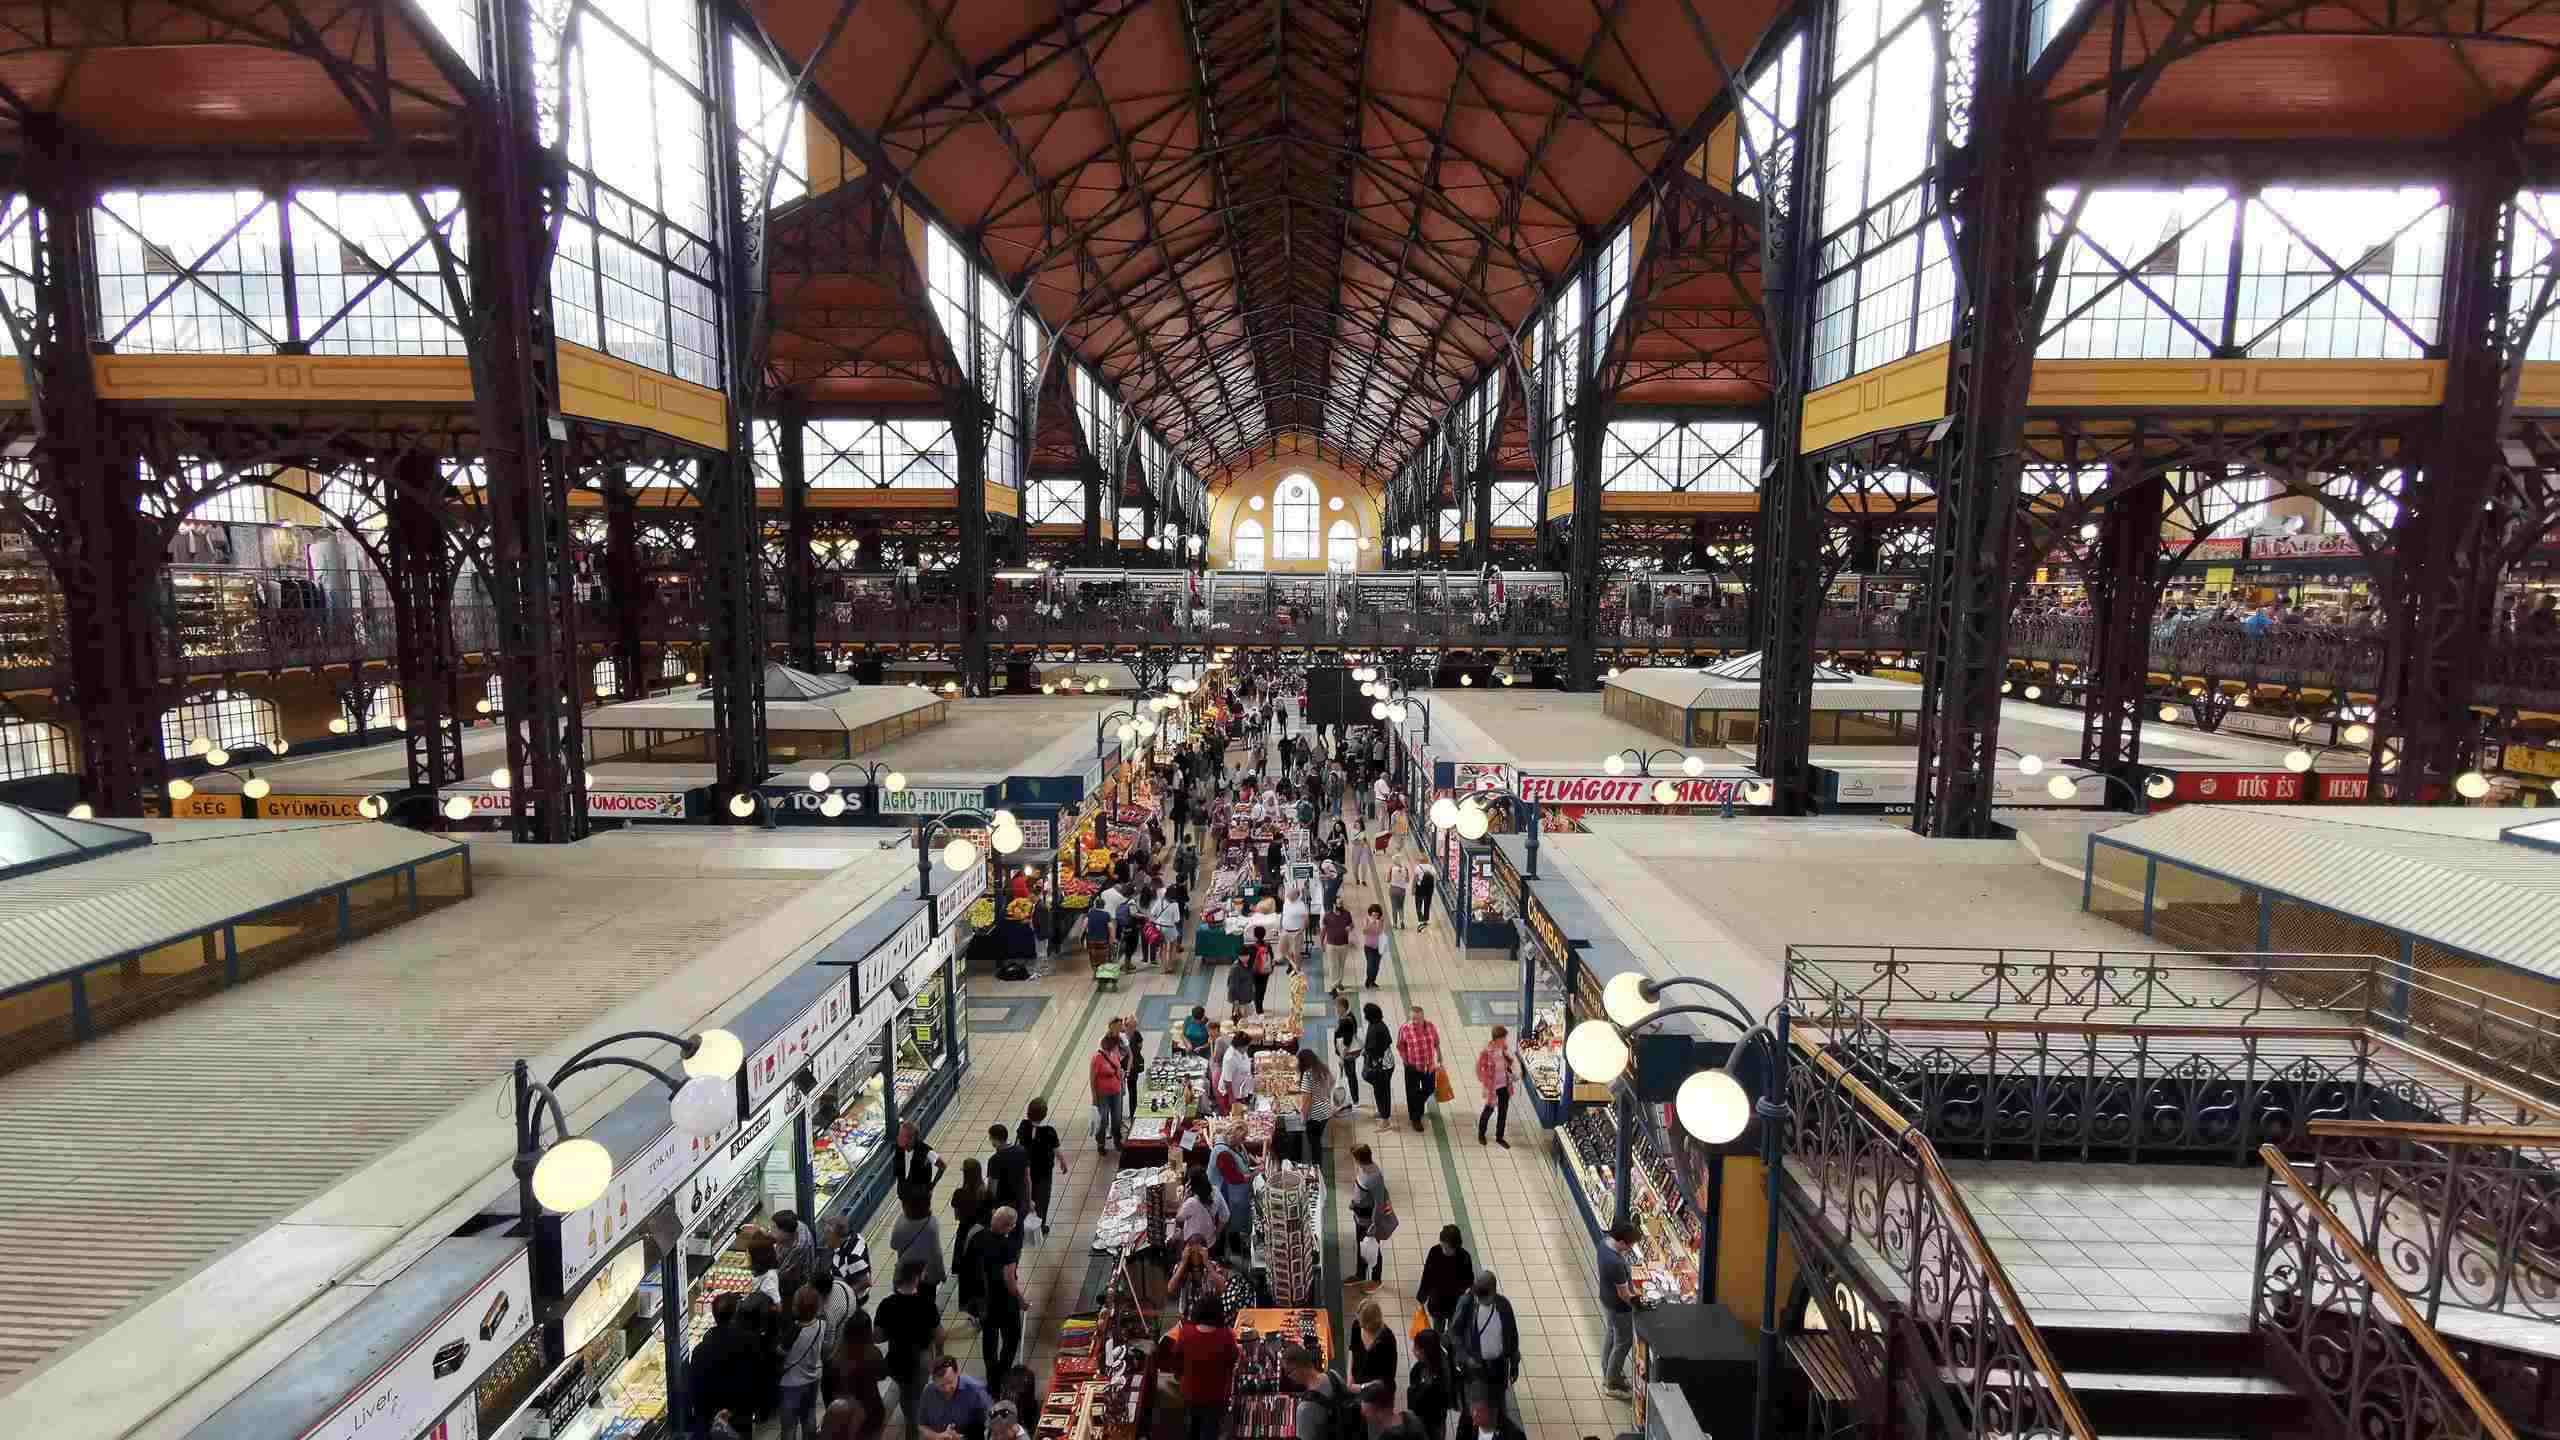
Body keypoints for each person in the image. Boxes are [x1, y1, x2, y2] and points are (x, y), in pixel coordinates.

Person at [874, 1261, 941, 1437]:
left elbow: (877, 1336)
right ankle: (914, 1425)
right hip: (921, 1359)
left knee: (906, 1391)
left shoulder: (886, 1305)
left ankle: (912, 1417)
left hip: (897, 1358)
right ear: (917, 1278)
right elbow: (939, 1335)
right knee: (915, 1394)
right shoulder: (927, 1304)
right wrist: (939, 1354)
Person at [1160, 1295, 1242, 1440]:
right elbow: (1233, 1360)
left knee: (1192, 1428)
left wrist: (1181, 1376)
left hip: (1191, 1394)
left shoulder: (1186, 1333)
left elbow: (1176, 1361)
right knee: (1211, 1430)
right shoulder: (1226, 1336)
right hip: (1217, 1396)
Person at [687, 1293, 767, 1440]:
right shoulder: (750, 1343)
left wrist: (707, 1415)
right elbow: (757, 1378)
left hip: (710, 1419)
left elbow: (695, 1387)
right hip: (740, 1415)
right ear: (735, 1314)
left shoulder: (700, 1350)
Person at [1448, 1272, 1521, 1415]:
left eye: (1485, 1295)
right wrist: (1465, 1358)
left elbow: (1512, 1335)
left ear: (1494, 1290)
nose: (1481, 1300)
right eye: (1478, 1295)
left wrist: (1514, 1362)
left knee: (1498, 1406)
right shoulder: (1467, 1303)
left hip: (1499, 1366)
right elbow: (1454, 1333)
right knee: (1476, 1409)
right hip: (1476, 1368)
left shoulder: (1503, 1306)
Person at [971, 1207, 1024, 1381]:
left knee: (989, 1338)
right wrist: (1021, 1300)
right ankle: (1003, 1373)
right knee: (1011, 1338)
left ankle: (991, 1377)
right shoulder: (1008, 1246)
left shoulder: (978, 1237)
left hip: (984, 1299)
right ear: (1008, 1227)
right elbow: (1009, 1279)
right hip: (1004, 1301)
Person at [777, 1285, 829, 1440]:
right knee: (809, 1415)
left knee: (789, 1425)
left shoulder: (793, 1333)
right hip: (813, 1377)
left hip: (791, 1383)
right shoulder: (822, 1324)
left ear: (796, 1309)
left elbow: (780, 1352)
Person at [828, 1312, 891, 1438]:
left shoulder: (835, 1359)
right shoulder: (873, 1354)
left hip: (844, 1414)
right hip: (871, 1410)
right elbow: (882, 1375)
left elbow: (828, 1391)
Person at [887, 1187, 946, 1314]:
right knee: (927, 1307)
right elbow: (936, 1253)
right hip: (927, 1274)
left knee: (908, 1309)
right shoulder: (931, 1223)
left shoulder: (901, 1221)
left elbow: (894, 1245)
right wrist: (941, 1273)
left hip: (906, 1273)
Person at [1598, 1223, 1641, 1397]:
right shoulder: (1615, 1263)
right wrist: (1638, 1304)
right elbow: (1624, 1295)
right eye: (1630, 1245)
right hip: (1619, 1308)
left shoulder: (1604, 1244)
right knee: (1623, 1343)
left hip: (1606, 1299)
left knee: (1611, 1334)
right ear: (1622, 1242)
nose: (1631, 1248)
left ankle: (1607, 1370)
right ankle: (1612, 1383)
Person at [1285, 1346, 1364, 1440]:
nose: (1288, 1377)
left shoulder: (1304, 1409)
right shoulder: (1334, 1376)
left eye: (1288, 1372)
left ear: (1298, 1368)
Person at [949, 1158, 989, 1323]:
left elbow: (957, 1216)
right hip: (982, 1235)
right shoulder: (985, 1192)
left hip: (965, 1236)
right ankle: (984, 1308)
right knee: (981, 1273)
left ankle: (972, 1312)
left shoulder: (959, 1194)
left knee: (966, 1275)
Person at [1347, 1143, 1392, 1289]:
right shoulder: (1363, 1169)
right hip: (1359, 1217)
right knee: (1362, 1246)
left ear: (1358, 1158)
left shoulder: (1374, 1176)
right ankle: (1360, 1275)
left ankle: (1376, 1280)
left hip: (1368, 1221)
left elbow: (1379, 1203)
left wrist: (1374, 1224)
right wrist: (1354, 1203)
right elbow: (1361, 1191)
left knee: (1373, 1248)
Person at [913, 1357, 993, 1440]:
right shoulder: (928, 1392)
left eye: (950, 1382)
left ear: (957, 1372)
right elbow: (922, 1425)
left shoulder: (976, 1390)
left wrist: (961, 1438)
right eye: (941, 1385)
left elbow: (991, 1424)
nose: (947, 1389)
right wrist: (938, 1436)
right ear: (933, 1381)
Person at [1209, 1125, 1257, 1256]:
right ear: (1234, 1136)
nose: (1244, 1140)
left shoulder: (1231, 1146)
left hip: (1227, 1192)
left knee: (1229, 1222)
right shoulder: (1223, 1153)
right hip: (1221, 1193)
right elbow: (1234, 1177)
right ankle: (1221, 1255)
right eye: (1242, 1138)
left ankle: (1233, 1247)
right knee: (1223, 1223)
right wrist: (1253, 1174)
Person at [1417, 1225, 1476, 1329]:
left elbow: (1469, 1281)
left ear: (1456, 1246)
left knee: (1453, 1331)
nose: (1443, 1250)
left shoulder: (1464, 1258)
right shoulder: (1435, 1252)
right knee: (1437, 1328)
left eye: (1447, 1248)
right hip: (1437, 1303)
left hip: (1454, 1304)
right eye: (1442, 1246)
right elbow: (1427, 1275)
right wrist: (1421, 1297)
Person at [1018, 1098, 1065, 1227]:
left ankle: (1025, 1223)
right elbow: (1056, 1150)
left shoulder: (1023, 1126)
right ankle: (1040, 1225)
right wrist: (1062, 1162)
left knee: (1028, 1195)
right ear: (1044, 1114)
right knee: (1042, 1199)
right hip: (1044, 1172)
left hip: (1027, 1169)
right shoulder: (1049, 1132)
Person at [1398, 1004, 1443, 1133]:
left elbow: (1436, 1042)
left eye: (1418, 1019)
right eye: (1413, 1018)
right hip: (1412, 1066)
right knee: (1412, 1092)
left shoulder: (1431, 1026)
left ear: (1423, 1017)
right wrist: (1405, 1061)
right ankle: (1415, 1118)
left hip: (1429, 1066)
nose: (1415, 1021)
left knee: (1430, 1088)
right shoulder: (1405, 1029)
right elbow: (1400, 1046)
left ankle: (1417, 1105)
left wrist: (1440, 1055)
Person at [1408, 1328, 1456, 1440]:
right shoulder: (1421, 1367)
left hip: (1431, 1420)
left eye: (1416, 1348)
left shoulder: (1438, 1380)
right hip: (1432, 1418)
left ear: (1425, 1352)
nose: (1413, 1350)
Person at [1474, 1026, 1515, 1148]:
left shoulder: (1504, 1048)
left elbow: (1509, 1062)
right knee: (1488, 1110)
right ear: (1498, 1039)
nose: (1505, 1040)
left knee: (1503, 1112)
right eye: (1504, 1038)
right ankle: (1481, 1134)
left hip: (1504, 1085)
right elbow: (1478, 1068)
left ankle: (1499, 1137)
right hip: (1493, 1088)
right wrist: (1484, 1082)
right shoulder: (1487, 1052)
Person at [1350, 1298, 1398, 1402]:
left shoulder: (1387, 1341)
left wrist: (1362, 1387)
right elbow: (1352, 1350)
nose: (1360, 1325)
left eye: (1363, 1324)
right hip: (1357, 1385)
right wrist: (1350, 1376)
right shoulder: (1357, 1325)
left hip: (1377, 1393)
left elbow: (1387, 1380)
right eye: (1359, 1321)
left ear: (1372, 1323)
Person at [1297, 1049, 1338, 1159]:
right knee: (1318, 1137)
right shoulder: (1323, 1069)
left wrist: (1303, 1118)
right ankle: (1317, 1161)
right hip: (1326, 1110)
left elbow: (1306, 1101)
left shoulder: (1307, 1075)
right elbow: (1332, 1082)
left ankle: (1317, 1165)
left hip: (1314, 1115)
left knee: (1314, 1143)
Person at [1090, 1035, 1127, 1151]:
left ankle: (1117, 1140)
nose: (1115, 1048)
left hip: (1116, 1092)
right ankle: (1101, 1143)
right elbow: (1092, 1079)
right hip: (1103, 1094)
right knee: (1103, 1120)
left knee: (1117, 1118)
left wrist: (1122, 1086)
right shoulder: (1097, 1058)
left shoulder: (1114, 1055)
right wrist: (1094, 1096)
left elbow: (1119, 1071)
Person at [987, 1124, 1031, 1221]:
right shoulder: (1022, 1151)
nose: (990, 1140)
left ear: (995, 1139)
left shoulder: (995, 1160)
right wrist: (1028, 1201)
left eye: (990, 1138)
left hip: (1003, 1206)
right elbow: (1027, 1179)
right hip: (1020, 1201)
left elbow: (992, 1188)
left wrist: (991, 1207)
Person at [1361, 1002, 1395, 1122]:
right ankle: (1383, 1112)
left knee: (1381, 1092)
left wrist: (1366, 1052)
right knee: (1382, 1090)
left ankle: (1385, 1117)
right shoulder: (1379, 1023)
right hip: (1387, 1063)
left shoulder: (1375, 1028)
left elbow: (1375, 1050)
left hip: (1382, 1067)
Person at [891, 1121, 944, 1196]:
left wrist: (932, 1186)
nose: (899, 1138)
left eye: (903, 1136)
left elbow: (942, 1166)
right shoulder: (900, 1151)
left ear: (912, 1138)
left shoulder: (925, 1150)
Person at [1176, 1171, 1222, 1251]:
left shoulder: (1191, 1202)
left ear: (1191, 1186)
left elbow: (1178, 1218)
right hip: (1210, 1241)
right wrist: (1217, 1234)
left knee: (1177, 1234)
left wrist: (1184, 1198)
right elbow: (1225, 1216)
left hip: (1195, 1247)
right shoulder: (1214, 1193)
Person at [1331, 992, 1363, 1107]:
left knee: (1351, 1075)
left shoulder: (1345, 1021)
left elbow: (1347, 1042)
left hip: (1347, 1054)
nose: (1335, 1010)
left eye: (1337, 1007)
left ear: (1342, 1008)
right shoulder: (1349, 1016)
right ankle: (1353, 1098)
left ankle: (1355, 1100)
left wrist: (1341, 1057)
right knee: (1349, 1075)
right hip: (1346, 1053)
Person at [1460, 1386, 1527, 1440]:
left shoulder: (1515, 1436)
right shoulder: (1465, 1424)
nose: (1474, 1414)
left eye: (1479, 1410)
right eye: (1472, 1408)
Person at [1217, 1023, 1256, 1115]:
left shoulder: (1242, 1051)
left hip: (1241, 1088)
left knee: (1242, 1111)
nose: (1248, 1047)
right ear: (1240, 1046)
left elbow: (1244, 1063)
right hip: (1232, 1092)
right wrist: (1232, 1098)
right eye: (1247, 1046)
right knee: (1234, 1115)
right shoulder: (1230, 1058)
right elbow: (1227, 1080)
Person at [1228, 927, 1263, 1012]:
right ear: (1238, 956)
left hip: (1248, 996)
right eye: (1242, 956)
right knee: (1240, 1016)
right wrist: (1235, 1000)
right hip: (1240, 999)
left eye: (1246, 956)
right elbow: (1232, 986)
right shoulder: (1235, 969)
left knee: (1249, 1015)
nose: (1245, 958)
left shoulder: (1249, 964)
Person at [1321, 898, 1354, 980]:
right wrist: (1322, 943)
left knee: (1341, 965)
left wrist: (1350, 927)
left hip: (1344, 945)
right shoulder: (1327, 915)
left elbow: (1351, 924)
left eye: (1342, 903)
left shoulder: (1347, 914)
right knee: (1333, 966)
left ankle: (1339, 982)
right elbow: (1323, 930)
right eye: (1339, 903)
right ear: (1334, 904)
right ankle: (1333, 985)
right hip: (1331, 945)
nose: (1341, 905)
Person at [1360, 904, 1385, 988]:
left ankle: (1373, 981)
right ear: (1370, 914)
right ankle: (1368, 980)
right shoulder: (1366, 920)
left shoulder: (1381, 920)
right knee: (1370, 965)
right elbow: (1364, 931)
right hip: (1369, 947)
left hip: (1379, 946)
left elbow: (1380, 932)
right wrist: (1371, 923)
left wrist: (1378, 923)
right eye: (1374, 915)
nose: (1375, 916)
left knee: (1376, 966)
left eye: (1377, 915)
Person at [1386, 855, 1410, 929]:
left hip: (1393, 890)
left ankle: (1395, 924)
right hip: (1402, 891)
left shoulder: (1391, 868)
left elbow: (1388, 880)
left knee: (1394, 907)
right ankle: (1402, 921)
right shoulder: (1405, 868)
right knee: (1401, 907)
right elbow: (1407, 880)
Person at [1411, 858, 1436, 926]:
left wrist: (1413, 888)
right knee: (1427, 904)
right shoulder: (1432, 868)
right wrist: (1433, 889)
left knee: (1418, 904)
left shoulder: (1418, 868)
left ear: (1421, 861)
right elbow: (1434, 879)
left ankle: (1420, 919)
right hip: (1429, 889)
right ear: (1427, 861)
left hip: (1420, 888)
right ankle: (1426, 920)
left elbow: (1415, 879)